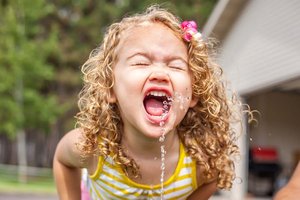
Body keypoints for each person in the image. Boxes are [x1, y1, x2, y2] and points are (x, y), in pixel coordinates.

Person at [53, 5, 241, 200]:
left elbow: (212, 179)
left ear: (194, 93)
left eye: (176, 66)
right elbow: (62, 160)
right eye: (141, 62)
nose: (160, 74)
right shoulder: (93, 148)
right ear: (109, 87)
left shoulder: (200, 162)